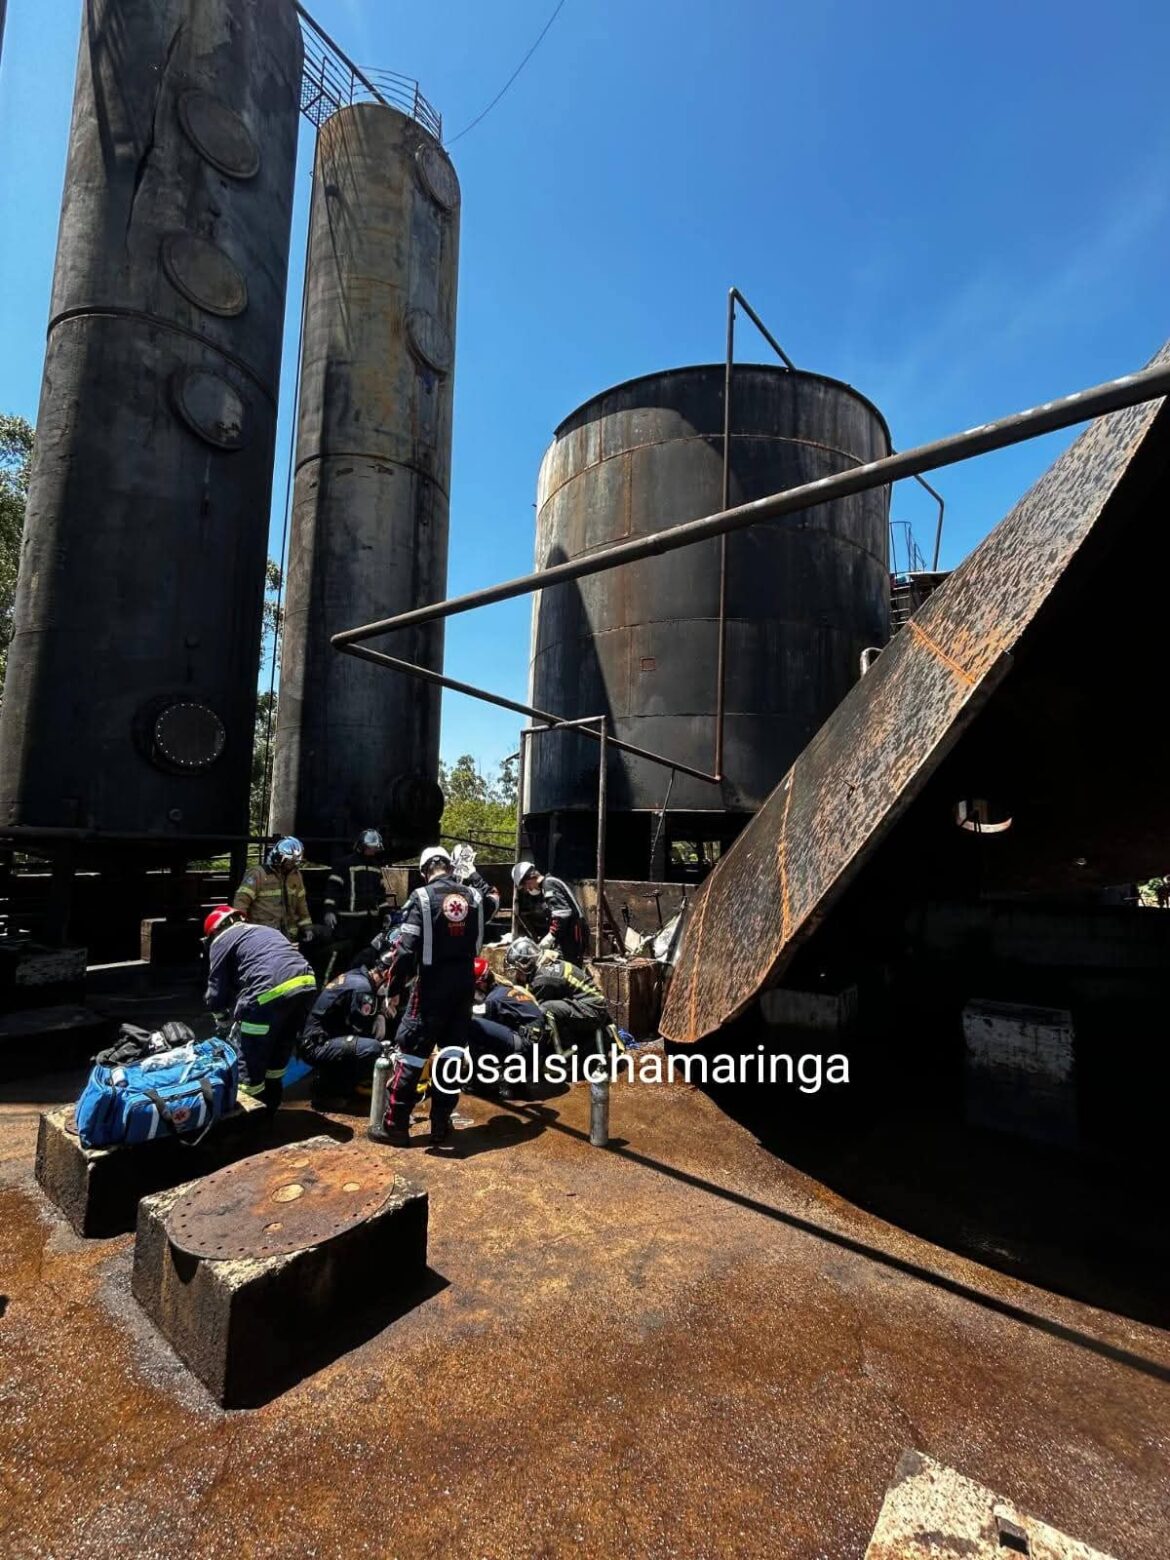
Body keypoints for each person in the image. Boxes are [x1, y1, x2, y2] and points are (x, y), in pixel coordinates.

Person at [380, 845, 500, 1147]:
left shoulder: (421, 897)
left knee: (411, 1052)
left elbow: (405, 949)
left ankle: (395, 1126)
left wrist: (394, 990)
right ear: (450, 866)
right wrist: (474, 874)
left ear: (424, 872)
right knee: (452, 1053)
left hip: (431, 985)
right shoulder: (473, 897)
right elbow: (495, 898)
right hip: (464, 985)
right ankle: (441, 1123)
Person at [202, 905, 317, 1112]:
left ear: (215, 931)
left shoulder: (221, 941)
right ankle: (272, 1103)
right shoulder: (265, 930)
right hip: (305, 985)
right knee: (280, 1044)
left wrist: (222, 1020)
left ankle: (249, 1114)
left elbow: (216, 990)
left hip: (268, 992)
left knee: (249, 1052)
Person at [298, 953, 395, 1110]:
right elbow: (361, 1031)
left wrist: (379, 1012)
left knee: (364, 1044)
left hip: (319, 1038)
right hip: (315, 1045)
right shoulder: (363, 990)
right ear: (386, 974)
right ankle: (330, 1092)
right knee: (372, 1048)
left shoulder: (358, 975)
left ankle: (328, 1082)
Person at [504, 936, 618, 1059]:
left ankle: (564, 1054)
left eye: (517, 971)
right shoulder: (545, 965)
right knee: (551, 1009)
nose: (516, 976)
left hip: (592, 1011)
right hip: (587, 1006)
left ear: (525, 965)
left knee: (544, 1009)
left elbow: (532, 1009)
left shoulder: (543, 980)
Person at [468, 956, 545, 1100]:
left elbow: (483, 1028)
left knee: (473, 1027)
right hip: (534, 1044)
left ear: (481, 984)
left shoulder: (493, 1000)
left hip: (525, 1045)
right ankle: (511, 1079)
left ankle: (482, 1083)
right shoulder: (504, 990)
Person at [323, 829, 394, 964]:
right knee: (345, 959)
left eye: (375, 848)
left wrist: (385, 913)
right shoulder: (344, 864)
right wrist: (329, 911)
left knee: (367, 958)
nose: (373, 851)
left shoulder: (375, 868)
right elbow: (333, 890)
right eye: (371, 848)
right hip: (348, 924)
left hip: (370, 925)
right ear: (361, 846)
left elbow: (380, 895)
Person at [233, 837, 314, 946]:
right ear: (278, 856)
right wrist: (240, 927)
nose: (291, 864)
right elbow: (241, 901)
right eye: (290, 860)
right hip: (262, 935)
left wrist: (307, 927)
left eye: (295, 861)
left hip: (287, 937)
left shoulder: (296, 876)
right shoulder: (257, 874)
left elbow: (301, 905)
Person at [511, 861, 587, 963]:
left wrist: (551, 936)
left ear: (530, 878)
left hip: (573, 932)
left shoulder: (549, 884)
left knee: (569, 964)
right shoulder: (547, 885)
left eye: (526, 886)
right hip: (568, 931)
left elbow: (562, 914)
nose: (528, 889)